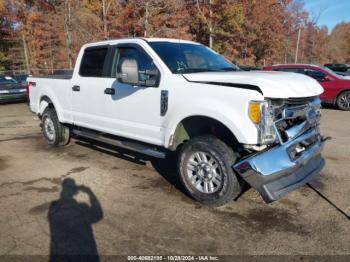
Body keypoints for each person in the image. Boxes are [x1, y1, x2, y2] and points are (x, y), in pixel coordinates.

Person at [48, 178, 103, 262]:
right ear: (75, 191)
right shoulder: (81, 208)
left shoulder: (53, 207)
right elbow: (97, 215)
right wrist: (90, 193)